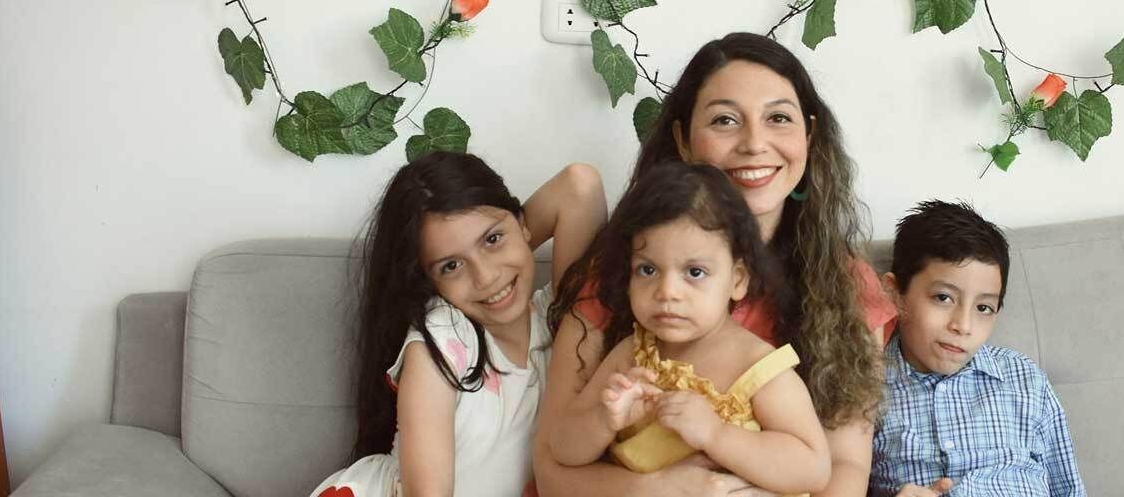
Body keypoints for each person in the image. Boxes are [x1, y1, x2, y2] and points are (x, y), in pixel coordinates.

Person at [537, 32, 896, 497]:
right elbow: (553, 469)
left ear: (808, 137)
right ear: (683, 141)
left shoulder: (845, 285)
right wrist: (670, 490)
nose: (754, 143)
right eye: (725, 120)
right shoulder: (619, 278)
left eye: (778, 119)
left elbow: (842, 468)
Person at [308, 152, 606, 497]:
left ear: (523, 224)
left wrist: (514, 240)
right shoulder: (443, 340)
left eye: (493, 239)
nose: (486, 277)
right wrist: (504, 239)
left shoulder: (562, 320)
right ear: (427, 279)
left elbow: (579, 187)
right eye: (451, 266)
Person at [546, 161, 830, 495]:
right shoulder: (631, 355)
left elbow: (812, 468)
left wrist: (715, 434)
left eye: (694, 272)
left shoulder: (759, 368)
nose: (667, 292)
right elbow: (562, 448)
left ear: (737, 280)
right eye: (648, 270)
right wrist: (603, 420)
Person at [869, 201, 1084, 497]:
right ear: (894, 294)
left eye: (984, 307)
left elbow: (1070, 489)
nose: (963, 325)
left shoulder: (1024, 379)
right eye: (943, 298)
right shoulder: (865, 387)